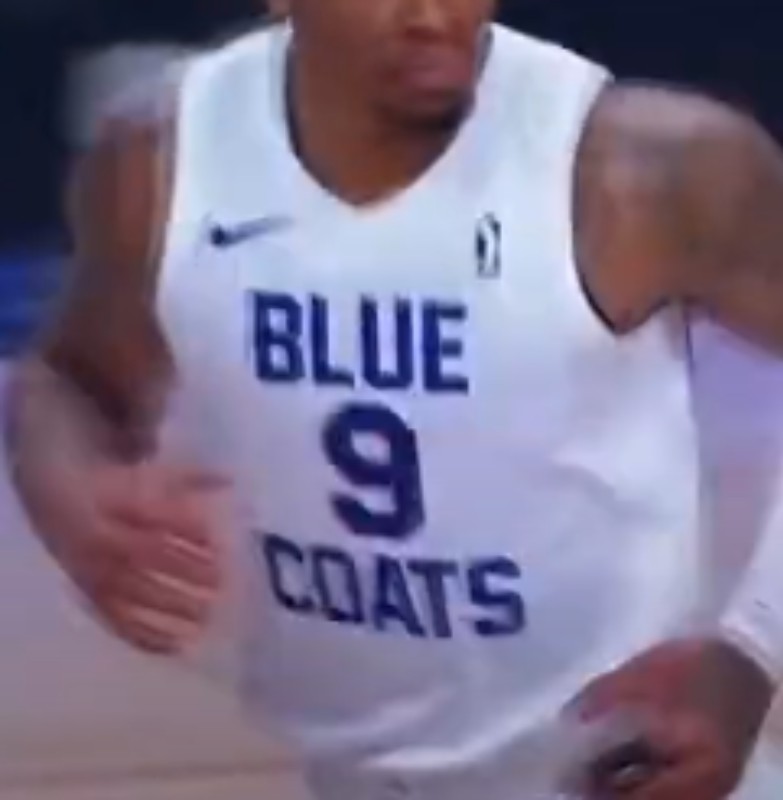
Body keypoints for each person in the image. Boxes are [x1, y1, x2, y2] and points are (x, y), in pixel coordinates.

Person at [7, 1, 783, 798]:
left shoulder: (646, 167)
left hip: (632, 770)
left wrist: (748, 653)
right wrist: (70, 496)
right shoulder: (164, 158)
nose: (432, 14)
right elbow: (68, 379)